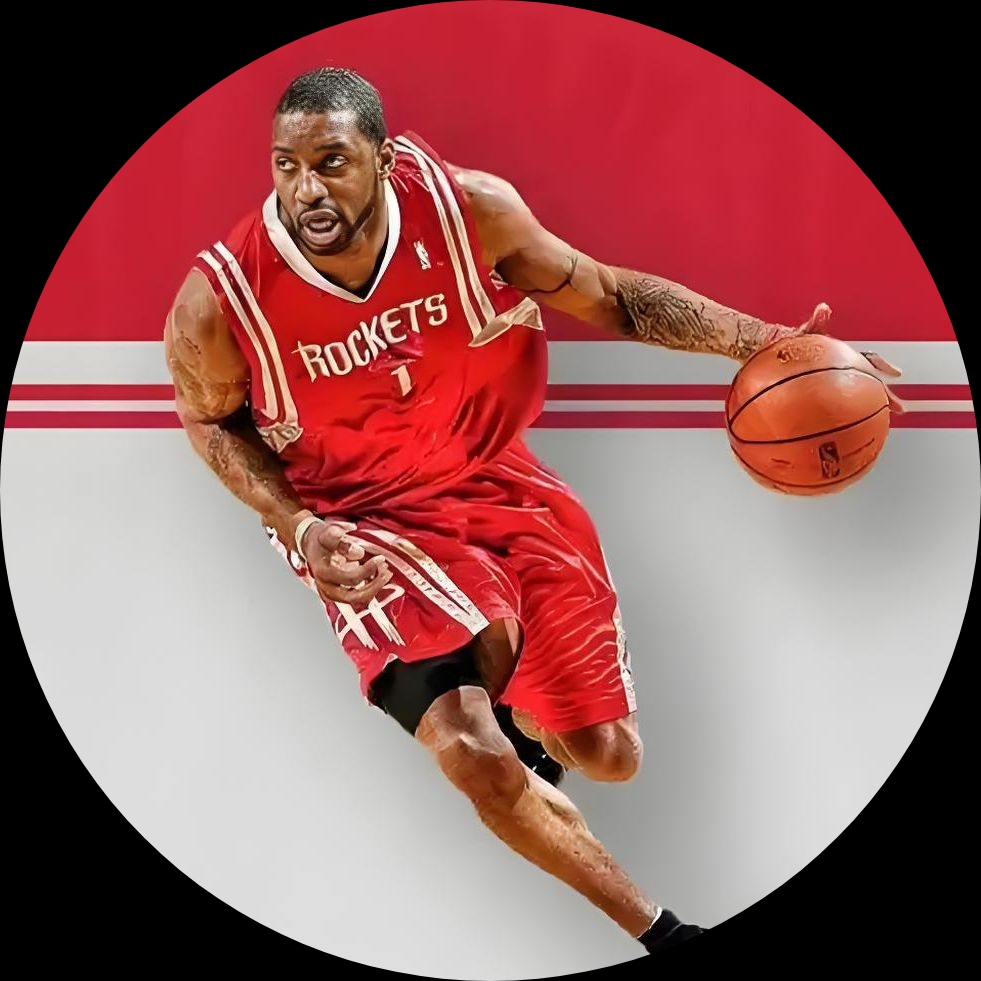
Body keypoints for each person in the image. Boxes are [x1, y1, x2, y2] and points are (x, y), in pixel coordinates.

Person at [163, 67, 904, 955]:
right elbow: (210, 423)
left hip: (497, 479)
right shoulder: (222, 300)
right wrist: (300, 526)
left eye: (330, 162)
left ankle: (517, 701)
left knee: (608, 756)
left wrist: (771, 343)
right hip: (360, 518)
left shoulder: (468, 212)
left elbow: (611, 295)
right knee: (471, 752)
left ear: (383, 159)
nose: (306, 189)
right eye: (286, 165)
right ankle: (663, 932)